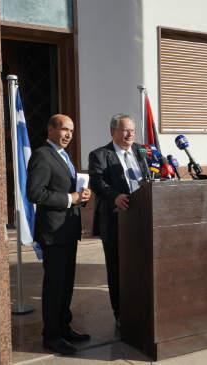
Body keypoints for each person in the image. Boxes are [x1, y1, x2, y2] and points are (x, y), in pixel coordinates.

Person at [26, 114, 91, 355]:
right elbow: (34, 193)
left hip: (68, 230)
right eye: (64, 129)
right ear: (51, 129)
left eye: (71, 131)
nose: (68, 135)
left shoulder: (63, 156)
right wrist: (68, 199)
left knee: (66, 286)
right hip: (53, 233)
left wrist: (80, 198)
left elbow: (67, 191)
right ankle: (51, 336)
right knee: (54, 287)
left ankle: (64, 327)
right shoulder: (42, 155)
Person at [88, 114, 148, 328]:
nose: (130, 133)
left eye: (132, 129)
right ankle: (120, 312)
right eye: (125, 130)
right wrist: (114, 195)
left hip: (143, 218)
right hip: (115, 220)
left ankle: (141, 305)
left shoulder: (142, 151)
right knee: (117, 268)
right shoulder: (100, 155)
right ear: (113, 132)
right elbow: (97, 181)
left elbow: (152, 176)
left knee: (141, 265)